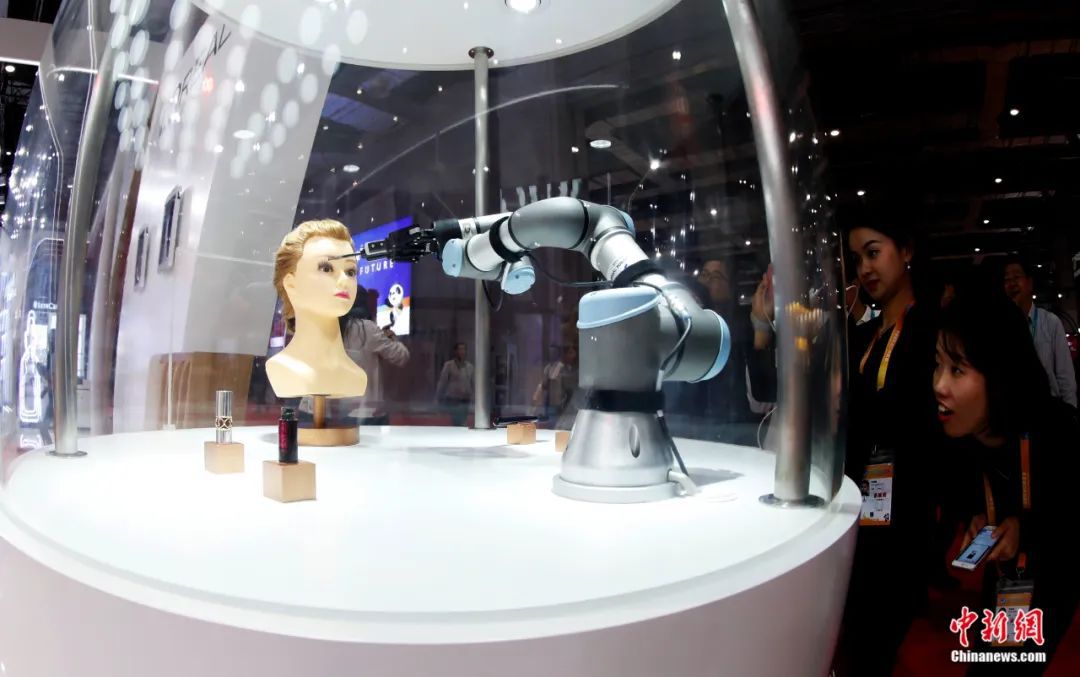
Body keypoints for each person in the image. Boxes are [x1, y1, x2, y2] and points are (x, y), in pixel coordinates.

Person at [934, 290, 1080, 675]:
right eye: (938, 365)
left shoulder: (1057, 431)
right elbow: (964, 495)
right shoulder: (958, 433)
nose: (939, 384)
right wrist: (977, 518)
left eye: (957, 370)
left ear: (999, 373)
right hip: (1003, 580)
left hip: (1053, 577)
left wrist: (1025, 529)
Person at [834, 214, 943, 676]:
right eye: (857, 258)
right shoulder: (865, 335)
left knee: (873, 642)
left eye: (873, 253)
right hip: (860, 507)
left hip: (905, 513)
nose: (864, 268)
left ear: (907, 251)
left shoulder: (932, 329)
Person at [1002, 257, 1076, 408]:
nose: (1011, 283)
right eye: (1007, 279)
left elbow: (1065, 377)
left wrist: (1071, 413)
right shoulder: (1001, 327)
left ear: (1029, 283)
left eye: (1016, 277)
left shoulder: (1050, 322)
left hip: (1049, 409)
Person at [340, 287, 410, 425]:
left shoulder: (335, 328)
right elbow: (402, 356)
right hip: (367, 411)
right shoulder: (368, 328)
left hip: (340, 411)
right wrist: (391, 338)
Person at [532, 344, 578, 424]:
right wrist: (537, 395)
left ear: (558, 354)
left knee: (554, 420)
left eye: (554, 352)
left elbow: (555, 380)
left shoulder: (561, 366)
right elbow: (544, 382)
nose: (551, 354)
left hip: (558, 399)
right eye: (550, 352)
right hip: (549, 399)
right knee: (548, 420)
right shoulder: (548, 367)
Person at [436, 342, 473, 427]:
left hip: (465, 399)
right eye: (460, 349)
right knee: (456, 421)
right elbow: (442, 382)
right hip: (453, 399)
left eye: (464, 349)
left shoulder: (470, 367)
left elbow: (472, 383)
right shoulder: (449, 365)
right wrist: (438, 397)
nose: (462, 351)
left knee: (463, 421)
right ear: (455, 351)